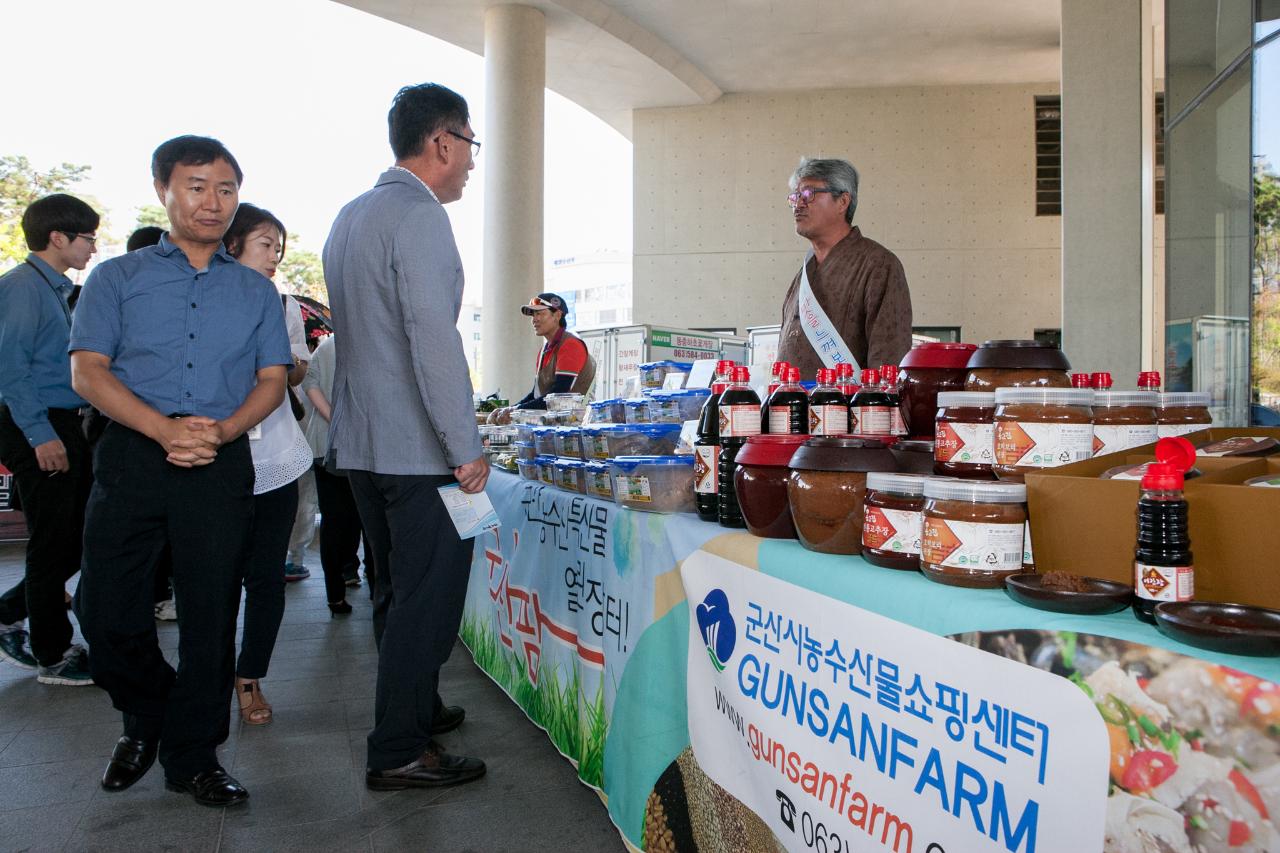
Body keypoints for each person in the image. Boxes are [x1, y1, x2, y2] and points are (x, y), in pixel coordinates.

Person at [70, 135, 292, 807]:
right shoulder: (118, 278)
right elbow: (88, 371)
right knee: (102, 608)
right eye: (196, 186)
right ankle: (149, 713)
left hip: (220, 458)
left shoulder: (255, 292)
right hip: (136, 452)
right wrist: (162, 428)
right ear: (164, 189)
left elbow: (273, 380)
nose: (212, 201)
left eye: (225, 188)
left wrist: (222, 431)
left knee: (211, 612)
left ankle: (193, 756)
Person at [323, 82, 488, 791]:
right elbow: (432, 342)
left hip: (363, 444)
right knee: (427, 598)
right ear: (443, 141)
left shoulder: (351, 214)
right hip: (419, 450)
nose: (473, 163)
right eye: (470, 145)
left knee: (394, 588)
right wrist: (465, 444)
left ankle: (418, 705)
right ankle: (397, 746)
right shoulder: (419, 218)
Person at [221, 203, 315, 725]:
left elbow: (296, 373)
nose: (274, 258)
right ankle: (211, 678)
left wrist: (286, 359)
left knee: (265, 577)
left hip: (275, 456)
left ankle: (249, 676)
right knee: (213, 578)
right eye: (264, 245)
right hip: (217, 458)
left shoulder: (284, 306)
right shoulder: (202, 302)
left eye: (278, 249)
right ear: (231, 244)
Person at [0, 193, 98, 685]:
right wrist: (40, 435)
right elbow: (11, 369)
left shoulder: (52, 289)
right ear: (57, 237)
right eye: (87, 238)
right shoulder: (22, 288)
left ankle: (9, 612)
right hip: (37, 422)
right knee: (53, 540)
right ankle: (52, 654)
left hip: (58, 419)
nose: (93, 248)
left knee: (73, 536)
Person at [776, 158, 913, 377]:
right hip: (792, 406)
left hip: (846, 408)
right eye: (795, 196)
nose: (798, 204)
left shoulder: (878, 264)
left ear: (843, 201)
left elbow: (889, 357)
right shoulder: (804, 273)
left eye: (809, 194)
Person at [300, 332, 364, 609]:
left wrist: (331, 415)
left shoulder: (326, 346)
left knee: (333, 522)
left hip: (323, 444)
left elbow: (309, 384)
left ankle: (335, 593)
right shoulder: (369, 340)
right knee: (367, 519)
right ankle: (377, 588)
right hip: (361, 447)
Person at [488, 292, 595, 423]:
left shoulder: (570, 345)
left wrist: (515, 410)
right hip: (555, 426)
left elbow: (559, 394)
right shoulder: (544, 350)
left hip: (575, 428)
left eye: (540, 313)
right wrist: (511, 409)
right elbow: (536, 394)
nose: (534, 319)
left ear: (557, 315)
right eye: (533, 314)